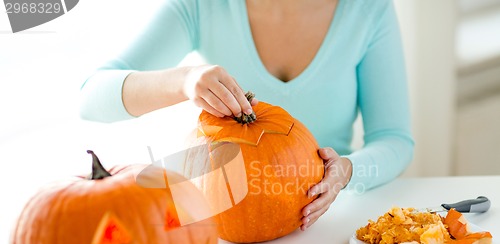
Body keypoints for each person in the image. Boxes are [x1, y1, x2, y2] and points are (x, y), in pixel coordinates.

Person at [80, 0, 414, 231]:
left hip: (328, 228)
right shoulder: (201, 6)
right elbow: (91, 98)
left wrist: (347, 172)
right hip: (223, 228)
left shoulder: (368, 9)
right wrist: (183, 81)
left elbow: (394, 140)